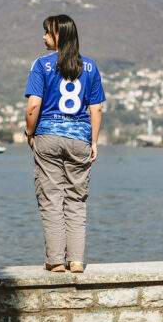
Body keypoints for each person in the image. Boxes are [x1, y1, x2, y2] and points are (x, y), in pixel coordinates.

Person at [24, 14, 105, 273]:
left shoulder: (41, 64)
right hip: (80, 137)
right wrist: (93, 141)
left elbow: (34, 105)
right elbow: (97, 109)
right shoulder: (91, 68)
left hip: (47, 135)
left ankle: (56, 260)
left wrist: (29, 132)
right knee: (76, 200)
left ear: (58, 35)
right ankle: (77, 261)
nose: (44, 37)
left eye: (47, 32)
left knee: (51, 199)